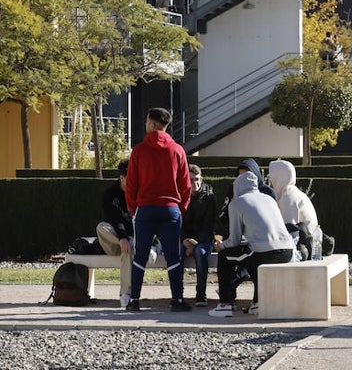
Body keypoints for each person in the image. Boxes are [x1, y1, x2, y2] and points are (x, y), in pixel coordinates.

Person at [124, 106, 192, 313]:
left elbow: (131, 184)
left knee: (140, 255)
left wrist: (134, 209)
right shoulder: (177, 150)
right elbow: (186, 185)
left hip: (145, 209)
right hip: (170, 208)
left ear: (152, 124)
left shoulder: (139, 151)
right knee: (173, 256)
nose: (145, 125)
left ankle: (134, 300)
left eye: (146, 121)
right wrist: (181, 207)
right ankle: (177, 300)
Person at [208, 170, 295, 318]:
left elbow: (234, 240)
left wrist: (221, 245)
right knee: (251, 257)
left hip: (265, 252)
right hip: (288, 250)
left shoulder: (237, 203)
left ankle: (225, 304)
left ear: (237, 187)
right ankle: (257, 303)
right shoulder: (269, 199)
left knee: (226, 256)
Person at [97, 158, 136, 308]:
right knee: (101, 227)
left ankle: (125, 293)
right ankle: (127, 242)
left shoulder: (139, 191)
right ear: (122, 178)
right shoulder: (111, 194)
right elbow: (114, 219)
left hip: (131, 242)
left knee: (127, 251)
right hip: (115, 242)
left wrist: (127, 240)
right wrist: (122, 238)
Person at [266, 159, 321, 259]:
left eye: (272, 178)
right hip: (312, 244)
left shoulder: (288, 197)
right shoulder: (295, 193)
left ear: (279, 177)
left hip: (305, 248)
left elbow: (288, 230)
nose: (270, 183)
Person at [181, 164, 217, 307]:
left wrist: (193, 243)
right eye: (190, 180)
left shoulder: (209, 197)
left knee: (200, 252)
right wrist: (184, 240)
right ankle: (177, 295)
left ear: (201, 179)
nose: (194, 183)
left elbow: (209, 227)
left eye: (197, 179)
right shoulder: (181, 196)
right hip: (185, 238)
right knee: (175, 253)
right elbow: (178, 223)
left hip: (202, 239)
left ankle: (201, 294)